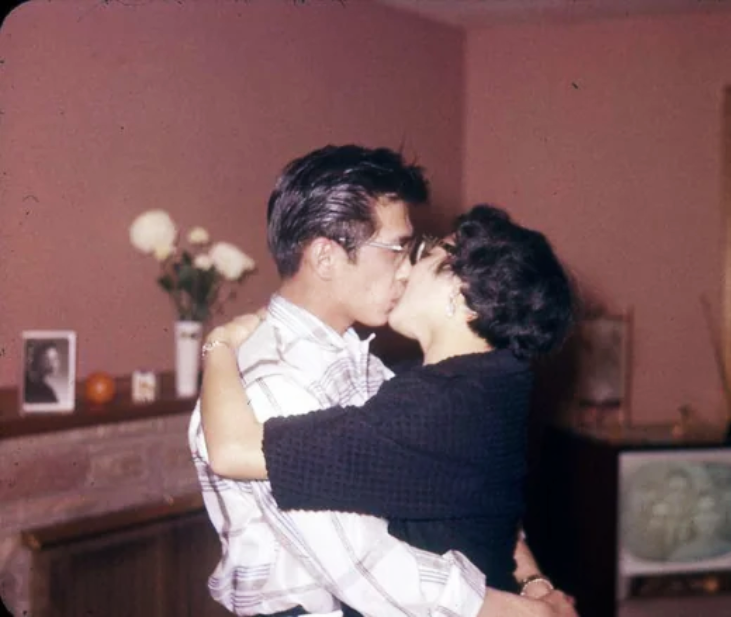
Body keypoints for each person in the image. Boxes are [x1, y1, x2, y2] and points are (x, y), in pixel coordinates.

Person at [189, 146, 573, 617]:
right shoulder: (273, 383)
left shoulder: (378, 366)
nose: (406, 267)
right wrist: (524, 610)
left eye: (418, 253)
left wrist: (532, 583)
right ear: (326, 258)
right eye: (398, 249)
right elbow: (369, 570)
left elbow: (466, 493)